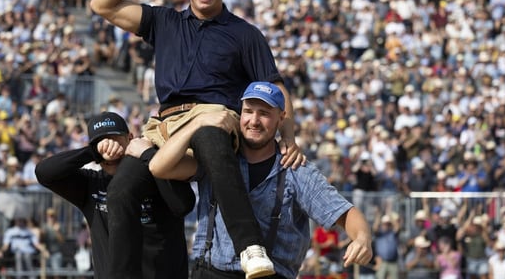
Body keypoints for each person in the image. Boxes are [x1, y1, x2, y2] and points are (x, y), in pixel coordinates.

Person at [90, 0, 303, 278]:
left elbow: (275, 86)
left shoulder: (245, 34)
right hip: (165, 126)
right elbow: (102, 5)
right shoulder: (165, 22)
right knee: (120, 191)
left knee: (210, 135)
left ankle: (249, 247)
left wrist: (289, 136)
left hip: (215, 118)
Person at [131, 82, 373, 278]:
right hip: (211, 272)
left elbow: (346, 214)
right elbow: (160, 167)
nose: (254, 121)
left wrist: (362, 237)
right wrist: (198, 123)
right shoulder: (219, 155)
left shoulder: (295, 170)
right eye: (248, 111)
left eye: (264, 114)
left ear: (281, 118)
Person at [35, 111, 194, 279]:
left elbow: (183, 205)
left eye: (115, 140)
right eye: (101, 143)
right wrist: (92, 152)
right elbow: (44, 172)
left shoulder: (156, 173)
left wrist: (147, 154)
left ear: (130, 138)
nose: (110, 149)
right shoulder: (92, 184)